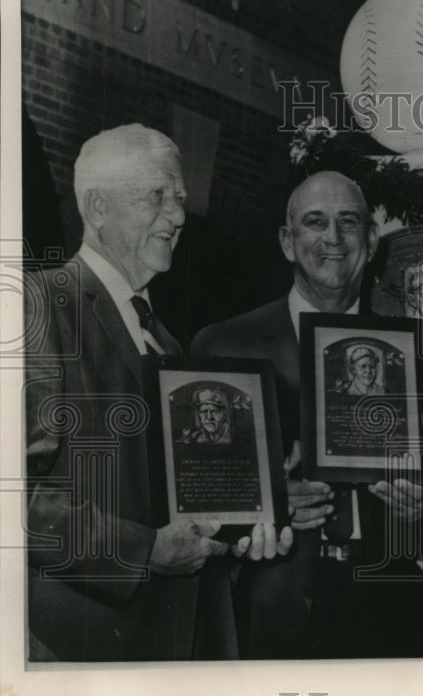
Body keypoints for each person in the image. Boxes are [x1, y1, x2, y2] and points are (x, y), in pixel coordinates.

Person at [24, 124, 284, 661]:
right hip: (84, 653)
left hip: (182, 649)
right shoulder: (41, 305)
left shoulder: (165, 342)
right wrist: (144, 551)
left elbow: (180, 502)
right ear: (97, 207)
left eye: (181, 199)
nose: (180, 216)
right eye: (157, 196)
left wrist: (244, 527)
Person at [190, 171, 423, 658]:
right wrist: (271, 500)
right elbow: (198, 495)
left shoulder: (411, 354)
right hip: (270, 605)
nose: (333, 238)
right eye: (314, 222)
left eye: (349, 222)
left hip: (392, 609)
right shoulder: (225, 344)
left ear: (370, 241)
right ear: (288, 242)